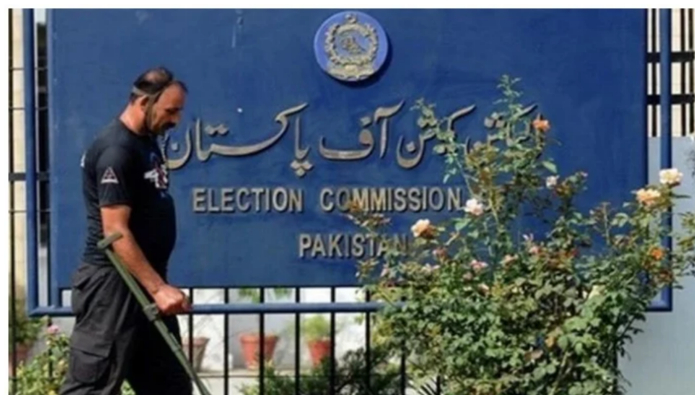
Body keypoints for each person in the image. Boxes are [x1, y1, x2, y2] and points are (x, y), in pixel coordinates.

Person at [60, 67, 193, 395]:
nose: (176, 120)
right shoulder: (116, 150)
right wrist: (159, 289)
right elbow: (115, 232)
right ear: (144, 103)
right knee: (92, 388)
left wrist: (155, 286)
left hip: (143, 283)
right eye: (170, 111)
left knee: (170, 387)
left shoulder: (146, 141)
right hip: (113, 287)